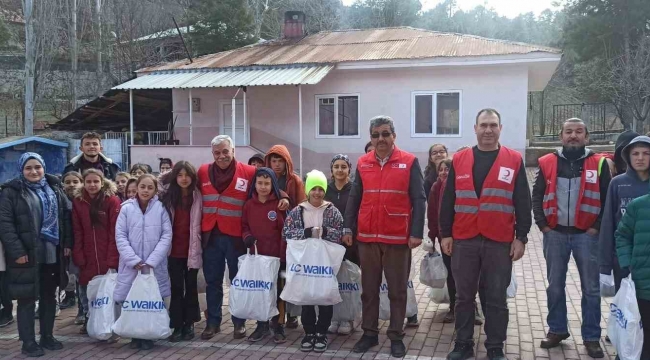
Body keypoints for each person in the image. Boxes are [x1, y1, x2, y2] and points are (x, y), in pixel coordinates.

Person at [439, 108, 531, 360]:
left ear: (500, 128)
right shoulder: (459, 159)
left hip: (499, 240)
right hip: (465, 238)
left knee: (496, 297)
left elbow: (523, 200)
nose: (488, 130)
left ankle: (494, 346)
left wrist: (521, 237)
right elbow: (448, 200)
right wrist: (445, 234)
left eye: (493, 125)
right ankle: (463, 344)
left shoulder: (513, 160)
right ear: (475, 128)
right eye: (483, 125)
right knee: (463, 296)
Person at [343, 115, 426, 359]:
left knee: (397, 291)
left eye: (386, 133)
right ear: (371, 138)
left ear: (394, 136)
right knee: (368, 289)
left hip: (398, 239)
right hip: (367, 238)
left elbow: (419, 199)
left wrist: (416, 233)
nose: (381, 138)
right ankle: (369, 334)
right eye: (376, 134)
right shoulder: (363, 163)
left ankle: (396, 335)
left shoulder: (409, 162)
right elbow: (354, 198)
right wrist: (348, 228)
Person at [532, 118, 611, 358]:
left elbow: (608, 199)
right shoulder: (547, 162)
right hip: (555, 234)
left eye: (579, 132)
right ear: (561, 136)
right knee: (555, 286)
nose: (573, 136)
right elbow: (536, 196)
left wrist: (596, 227)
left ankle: (591, 336)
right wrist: (543, 225)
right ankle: (557, 330)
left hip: (587, 236)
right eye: (569, 132)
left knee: (591, 288)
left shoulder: (599, 164)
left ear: (587, 137)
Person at [198, 135, 289, 340]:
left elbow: (269, 181)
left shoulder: (248, 171)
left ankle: (238, 323)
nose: (221, 156)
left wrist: (283, 197)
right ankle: (213, 322)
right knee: (212, 281)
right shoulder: (203, 171)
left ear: (233, 151)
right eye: (217, 153)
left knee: (238, 282)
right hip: (210, 236)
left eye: (225, 151)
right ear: (212, 154)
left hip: (236, 237)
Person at [0, 152, 72, 357]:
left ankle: (47, 336)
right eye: (29, 168)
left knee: (49, 296)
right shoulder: (11, 192)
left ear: (44, 168)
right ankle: (28, 342)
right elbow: (5, 225)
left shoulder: (55, 188)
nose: (34, 171)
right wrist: (17, 252)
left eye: (38, 167)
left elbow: (66, 218)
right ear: (21, 170)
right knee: (26, 299)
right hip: (26, 255)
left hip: (52, 253)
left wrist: (66, 244)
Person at [283, 170, 344, 353]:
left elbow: (340, 233)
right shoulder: (298, 211)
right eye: (313, 189)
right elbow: (286, 233)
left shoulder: (332, 211)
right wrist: (305, 233)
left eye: (320, 189)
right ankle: (309, 332)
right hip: (305, 264)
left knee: (325, 297)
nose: (317, 193)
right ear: (308, 190)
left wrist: (325, 232)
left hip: (324, 263)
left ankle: (322, 333)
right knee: (307, 297)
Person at [114, 174, 172, 351]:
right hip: (131, 265)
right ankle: (135, 334)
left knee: (152, 300)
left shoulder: (161, 208)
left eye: (150, 187)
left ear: (155, 190)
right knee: (131, 300)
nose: (145, 191)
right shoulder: (126, 209)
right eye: (142, 187)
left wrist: (152, 260)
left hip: (154, 266)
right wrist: (134, 260)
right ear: (136, 188)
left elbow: (166, 235)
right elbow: (120, 236)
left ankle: (149, 334)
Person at [71, 169, 121, 339]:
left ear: (102, 182)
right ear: (84, 183)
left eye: (95, 181)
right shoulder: (78, 202)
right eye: (88, 182)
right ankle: (89, 319)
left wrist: (112, 257)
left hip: (106, 253)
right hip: (87, 255)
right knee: (87, 291)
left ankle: (111, 322)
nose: (92, 185)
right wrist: (78, 255)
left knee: (108, 292)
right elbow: (77, 231)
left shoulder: (112, 200)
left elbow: (115, 232)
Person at [242, 167, 288, 344]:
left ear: (273, 185)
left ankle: (277, 326)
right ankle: (261, 325)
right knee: (260, 292)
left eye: (267, 183)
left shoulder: (278, 204)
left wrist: (283, 257)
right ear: (254, 184)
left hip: (276, 258)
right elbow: (244, 226)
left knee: (277, 292)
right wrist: (247, 238)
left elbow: (285, 231)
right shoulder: (248, 205)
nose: (263, 187)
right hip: (257, 258)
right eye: (260, 183)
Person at [159, 161, 202, 342]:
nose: (184, 179)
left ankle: (189, 323)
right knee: (176, 288)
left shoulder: (198, 195)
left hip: (192, 248)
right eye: (180, 175)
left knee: (191, 287)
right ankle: (176, 324)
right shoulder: (167, 196)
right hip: (173, 250)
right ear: (174, 177)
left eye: (187, 175)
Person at [600, 136, 650, 292]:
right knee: (627, 311)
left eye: (646, 153)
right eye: (635, 154)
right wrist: (605, 265)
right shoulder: (617, 183)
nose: (640, 158)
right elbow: (608, 224)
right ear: (628, 156)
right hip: (623, 260)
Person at [264, 144, 305, 328]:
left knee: (291, 276)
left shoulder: (294, 180)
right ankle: (275, 313)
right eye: (274, 160)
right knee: (274, 277)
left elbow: (301, 205)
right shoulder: (266, 179)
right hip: (271, 236)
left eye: (280, 160)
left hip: (290, 237)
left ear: (287, 161)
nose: (277, 164)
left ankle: (292, 314)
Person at [614, 175, 650, 360]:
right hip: (641, 286)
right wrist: (627, 264)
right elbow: (622, 235)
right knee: (635, 338)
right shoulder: (638, 205)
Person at [325, 154, 357, 336]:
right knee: (332, 281)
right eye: (336, 166)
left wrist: (350, 231)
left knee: (348, 281)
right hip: (329, 243)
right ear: (331, 170)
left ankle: (348, 318)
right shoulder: (325, 189)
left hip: (349, 243)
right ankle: (335, 317)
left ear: (349, 170)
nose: (339, 170)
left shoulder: (354, 189)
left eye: (343, 166)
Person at [427, 159, 455, 323]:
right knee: (450, 274)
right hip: (444, 238)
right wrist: (432, 236)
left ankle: (473, 308)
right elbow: (431, 214)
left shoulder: (458, 186)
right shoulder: (436, 187)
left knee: (468, 275)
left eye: (447, 169)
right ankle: (453, 307)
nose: (444, 172)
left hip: (462, 238)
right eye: (441, 170)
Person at [60, 172, 83, 315]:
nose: (71, 185)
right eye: (67, 182)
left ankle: (82, 308)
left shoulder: (83, 200)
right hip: (66, 243)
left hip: (81, 242)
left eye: (75, 181)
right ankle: (68, 297)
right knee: (67, 273)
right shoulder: (60, 199)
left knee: (81, 277)